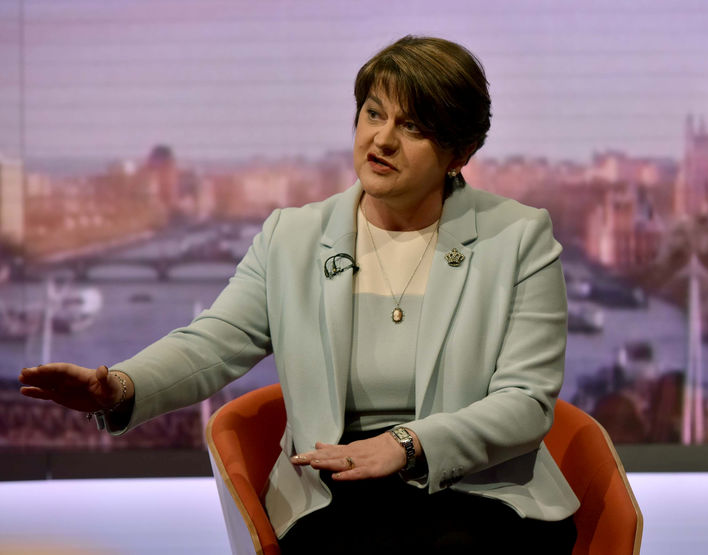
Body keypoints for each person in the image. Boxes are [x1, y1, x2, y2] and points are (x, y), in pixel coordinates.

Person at [19, 36, 579, 554]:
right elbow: (215, 341)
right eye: (373, 113)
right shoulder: (293, 236)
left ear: (458, 153)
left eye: (412, 127)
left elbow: (526, 401)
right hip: (332, 488)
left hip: (480, 488)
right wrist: (117, 387)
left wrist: (407, 444)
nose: (381, 139)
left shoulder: (518, 237)